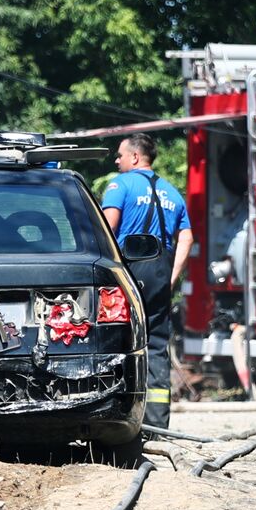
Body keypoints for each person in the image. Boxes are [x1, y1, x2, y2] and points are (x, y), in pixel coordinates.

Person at [102, 133, 194, 431]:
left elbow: (108, 226)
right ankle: (157, 424)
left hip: (129, 270)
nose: (116, 161)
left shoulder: (120, 185)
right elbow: (187, 238)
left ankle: (115, 416)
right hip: (160, 274)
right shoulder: (172, 192)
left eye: (120, 155)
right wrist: (171, 277)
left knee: (115, 339)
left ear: (135, 157)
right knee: (155, 345)